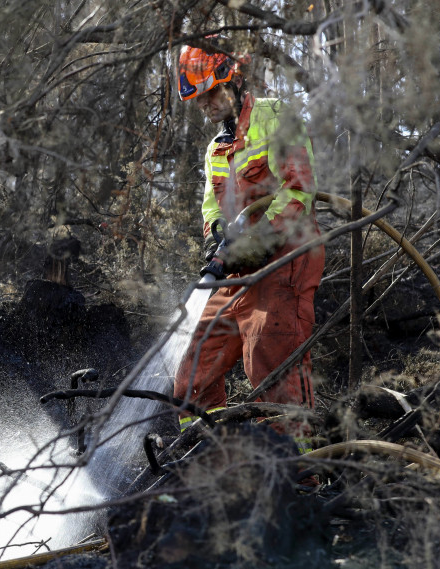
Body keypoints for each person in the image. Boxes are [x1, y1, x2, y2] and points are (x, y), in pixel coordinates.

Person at [172, 40, 325, 447]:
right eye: (199, 100)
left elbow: (299, 190)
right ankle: (209, 457)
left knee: (270, 364)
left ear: (233, 82)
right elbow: (212, 207)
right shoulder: (215, 149)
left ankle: (299, 475)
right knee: (192, 371)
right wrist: (216, 238)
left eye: (210, 94)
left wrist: (258, 239)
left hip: (285, 259)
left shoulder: (277, 116)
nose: (205, 105)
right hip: (238, 270)